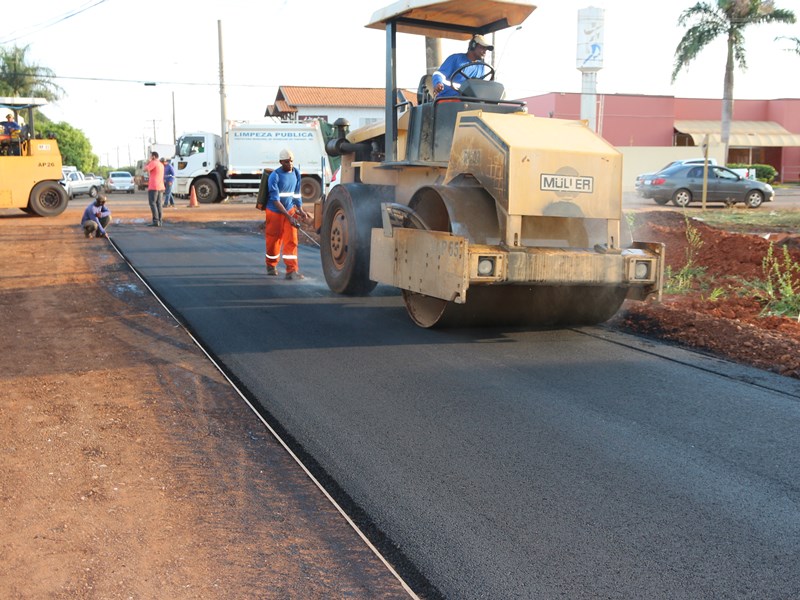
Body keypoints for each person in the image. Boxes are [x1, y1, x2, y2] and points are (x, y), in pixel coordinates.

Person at [260, 148, 311, 280]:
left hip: (289, 210)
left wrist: (300, 210)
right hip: (274, 212)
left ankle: (291, 270)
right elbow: (275, 200)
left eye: (292, 161)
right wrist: (288, 217)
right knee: (274, 240)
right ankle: (271, 265)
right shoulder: (274, 176)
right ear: (281, 162)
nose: (290, 164)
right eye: (287, 162)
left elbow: (296, 195)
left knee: (292, 240)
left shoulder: (296, 173)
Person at [432, 34, 493, 98]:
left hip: (468, 101)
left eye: (486, 49)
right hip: (448, 99)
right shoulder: (455, 59)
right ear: (473, 45)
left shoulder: (481, 66)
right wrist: (438, 83)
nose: (484, 52)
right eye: (482, 48)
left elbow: (479, 86)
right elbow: (438, 74)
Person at [144, 151, 165, 226]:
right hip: (160, 186)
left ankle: (156, 221)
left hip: (154, 186)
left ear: (153, 156)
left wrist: (147, 163)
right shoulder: (161, 164)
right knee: (159, 203)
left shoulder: (153, 162)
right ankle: (160, 220)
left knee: (152, 203)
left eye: (150, 156)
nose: (149, 157)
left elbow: (145, 169)